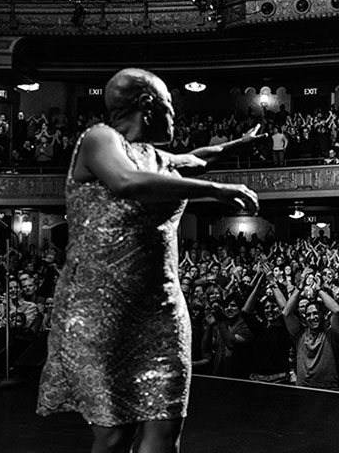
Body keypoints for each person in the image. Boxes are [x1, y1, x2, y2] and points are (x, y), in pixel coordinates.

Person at [36, 68, 261, 453]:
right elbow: (127, 181)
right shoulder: (98, 139)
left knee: (164, 429)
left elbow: (197, 158)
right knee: (114, 435)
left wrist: (235, 146)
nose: (175, 116)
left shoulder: (157, 157)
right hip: (100, 309)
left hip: (161, 310)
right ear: (148, 104)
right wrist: (215, 190)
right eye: (171, 107)